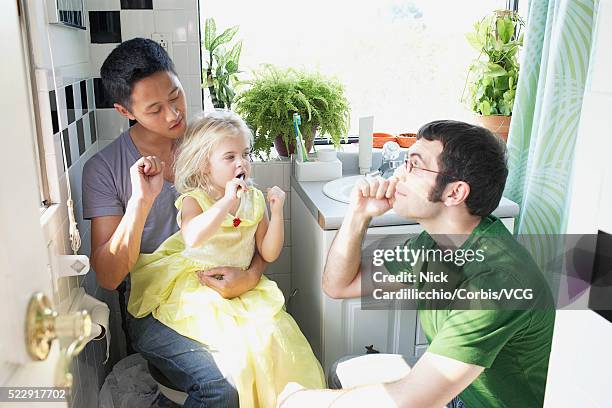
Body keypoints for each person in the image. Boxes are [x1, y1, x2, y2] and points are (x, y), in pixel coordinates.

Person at [279, 120, 555, 408]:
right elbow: (338, 285)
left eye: (413, 165)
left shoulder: (495, 281)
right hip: (460, 391)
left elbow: (411, 400)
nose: (398, 174)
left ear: (454, 193)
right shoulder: (433, 243)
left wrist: (303, 400)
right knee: (343, 369)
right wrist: (358, 215)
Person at [82, 38, 267, 407]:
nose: (173, 115)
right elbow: (107, 276)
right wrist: (141, 202)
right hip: (156, 308)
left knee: (268, 365)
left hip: (228, 296)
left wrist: (250, 276)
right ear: (124, 110)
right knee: (221, 385)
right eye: (154, 109)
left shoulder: (212, 142)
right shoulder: (104, 169)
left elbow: (251, 226)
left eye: (176, 95)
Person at [127, 110, 325, 407]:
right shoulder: (194, 199)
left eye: (245, 154)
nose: (241, 163)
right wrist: (226, 202)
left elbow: (268, 252)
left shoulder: (253, 199)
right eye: (229, 157)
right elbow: (193, 237)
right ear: (205, 166)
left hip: (242, 291)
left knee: (276, 340)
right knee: (236, 352)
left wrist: (278, 210)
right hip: (197, 286)